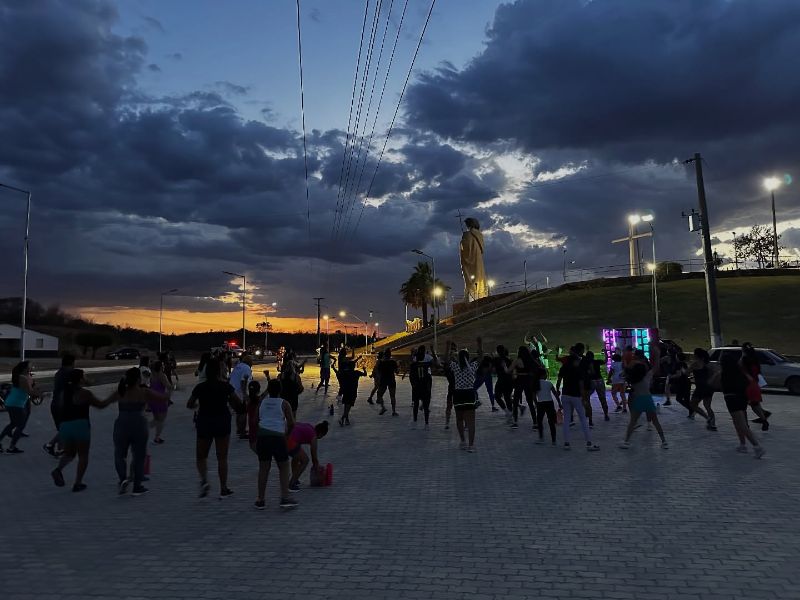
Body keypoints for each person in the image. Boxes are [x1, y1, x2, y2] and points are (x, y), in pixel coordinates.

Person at [49, 369, 115, 492]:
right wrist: (113, 397)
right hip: (80, 425)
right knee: (83, 455)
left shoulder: (64, 393)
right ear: (80, 379)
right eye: (84, 376)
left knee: (69, 453)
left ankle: (58, 470)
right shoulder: (85, 393)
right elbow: (101, 405)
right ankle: (77, 483)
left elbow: (60, 407)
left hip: (65, 426)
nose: (86, 378)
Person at [187, 358, 242, 498]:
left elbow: (189, 403)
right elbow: (237, 403)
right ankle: (223, 488)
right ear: (219, 371)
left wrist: (197, 406)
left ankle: (204, 480)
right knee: (222, 457)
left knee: (201, 456)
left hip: (204, 421)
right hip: (222, 421)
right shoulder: (226, 386)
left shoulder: (200, 387)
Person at [110, 368, 167, 496]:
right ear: (137, 379)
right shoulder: (143, 391)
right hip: (139, 424)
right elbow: (162, 398)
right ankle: (137, 485)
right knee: (139, 455)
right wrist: (172, 390)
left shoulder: (121, 391)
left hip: (121, 424)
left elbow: (102, 403)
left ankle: (123, 478)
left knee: (119, 454)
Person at [253, 378, 298, 510]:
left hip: (263, 437)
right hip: (278, 437)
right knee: (283, 466)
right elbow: (292, 423)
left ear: (268, 389)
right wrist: (287, 434)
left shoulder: (262, 402)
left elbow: (255, 420)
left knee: (263, 468)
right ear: (280, 390)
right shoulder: (284, 403)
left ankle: (260, 499)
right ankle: (284, 497)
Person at [619, 351, 668, 449]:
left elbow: (622, 374)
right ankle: (664, 441)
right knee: (655, 421)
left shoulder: (632, 379)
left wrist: (629, 363)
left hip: (638, 400)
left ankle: (626, 441)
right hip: (648, 399)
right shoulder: (647, 376)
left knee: (633, 422)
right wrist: (657, 355)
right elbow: (656, 367)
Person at [721, 352, 765, 458]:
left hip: (731, 399)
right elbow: (750, 381)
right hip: (742, 398)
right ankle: (743, 445)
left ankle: (757, 447)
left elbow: (715, 384)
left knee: (741, 424)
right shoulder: (740, 372)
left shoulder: (724, 373)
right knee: (738, 423)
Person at [556, 349, 600, 451]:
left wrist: (558, 390)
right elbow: (581, 386)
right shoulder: (578, 370)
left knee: (566, 419)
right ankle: (589, 443)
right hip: (576, 396)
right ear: (574, 361)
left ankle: (567, 443)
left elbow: (558, 381)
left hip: (565, 395)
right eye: (577, 361)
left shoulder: (563, 368)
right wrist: (584, 398)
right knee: (583, 419)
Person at [447, 338, 483, 452]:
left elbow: (446, 360)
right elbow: (481, 358)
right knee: (471, 421)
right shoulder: (472, 367)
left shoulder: (456, 367)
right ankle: (471, 445)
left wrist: (447, 347)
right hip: (469, 393)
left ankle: (462, 441)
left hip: (458, 394)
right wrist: (479, 344)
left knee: (459, 419)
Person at [0, 361, 41, 454]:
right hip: (16, 404)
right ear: (25, 368)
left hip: (12, 403)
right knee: (20, 426)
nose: (32, 367)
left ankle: (6, 444)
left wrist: (33, 385)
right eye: (30, 366)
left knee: (13, 424)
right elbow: (30, 392)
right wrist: (38, 391)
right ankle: (11, 447)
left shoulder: (24, 376)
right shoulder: (23, 378)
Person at [44, 353, 76, 457]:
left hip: (55, 404)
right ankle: (50, 445)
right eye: (74, 363)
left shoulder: (59, 373)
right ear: (71, 363)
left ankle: (59, 450)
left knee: (62, 429)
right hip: (61, 406)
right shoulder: (67, 374)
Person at [287, 420, 329, 492]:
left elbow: (295, 425)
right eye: (322, 436)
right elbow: (314, 456)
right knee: (305, 460)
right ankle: (291, 484)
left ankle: (295, 478)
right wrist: (317, 468)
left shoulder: (309, 427)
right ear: (321, 433)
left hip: (285, 438)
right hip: (291, 441)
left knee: (296, 457)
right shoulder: (313, 436)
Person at [740, 343, 770, 431]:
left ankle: (745, 425)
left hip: (746, 385)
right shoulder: (756, 360)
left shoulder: (743, 360)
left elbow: (742, 372)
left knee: (743, 407)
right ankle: (764, 420)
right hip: (755, 384)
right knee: (755, 405)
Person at [510, 346, 539, 429]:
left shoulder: (517, 360)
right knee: (530, 402)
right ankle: (535, 423)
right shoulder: (530, 360)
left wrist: (505, 367)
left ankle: (515, 422)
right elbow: (537, 367)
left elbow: (509, 370)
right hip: (528, 381)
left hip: (519, 381)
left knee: (515, 401)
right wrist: (530, 373)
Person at [332, 358, 367, 426]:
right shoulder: (357, 373)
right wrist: (364, 369)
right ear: (354, 366)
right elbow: (365, 374)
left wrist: (333, 368)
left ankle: (346, 419)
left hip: (346, 390)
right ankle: (343, 418)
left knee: (346, 405)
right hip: (353, 391)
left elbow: (338, 373)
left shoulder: (345, 372)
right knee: (349, 405)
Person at [409, 345, 436, 428]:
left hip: (417, 387)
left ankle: (415, 420)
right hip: (425, 387)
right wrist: (433, 351)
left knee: (416, 404)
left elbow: (411, 376)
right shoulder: (426, 364)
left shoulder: (414, 365)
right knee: (426, 406)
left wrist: (413, 385)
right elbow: (436, 363)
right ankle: (426, 422)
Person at [229, 354, 253, 439]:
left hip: (232, 392)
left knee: (238, 412)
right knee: (243, 413)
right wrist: (245, 395)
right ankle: (242, 433)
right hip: (239, 394)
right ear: (249, 362)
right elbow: (243, 381)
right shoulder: (246, 368)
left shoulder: (238, 366)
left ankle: (239, 430)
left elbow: (230, 378)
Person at [535, 367, 561, 445]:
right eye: (546, 374)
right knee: (551, 422)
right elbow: (555, 394)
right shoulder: (548, 383)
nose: (547, 375)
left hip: (540, 403)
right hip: (549, 403)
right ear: (543, 375)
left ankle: (541, 438)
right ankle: (554, 440)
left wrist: (536, 403)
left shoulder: (536, 383)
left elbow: (533, 395)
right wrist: (559, 403)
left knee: (539, 421)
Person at [690, 348, 715, 430]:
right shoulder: (708, 364)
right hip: (709, 387)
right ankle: (712, 424)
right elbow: (712, 374)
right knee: (707, 406)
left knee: (693, 404)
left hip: (700, 388)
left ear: (697, 355)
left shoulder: (695, 364)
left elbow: (686, 372)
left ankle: (707, 418)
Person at [148, 360, 172, 444]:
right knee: (161, 420)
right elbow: (168, 386)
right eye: (162, 365)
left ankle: (141, 429)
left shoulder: (152, 375)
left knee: (156, 419)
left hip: (152, 398)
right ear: (161, 367)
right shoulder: (161, 375)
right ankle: (156, 437)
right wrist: (176, 387)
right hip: (160, 399)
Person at [279, 350, 306, 416]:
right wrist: (295, 393)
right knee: (293, 415)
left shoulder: (281, 375)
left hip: (283, 397)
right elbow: (301, 389)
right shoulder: (296, 376)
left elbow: (277, 387)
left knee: (283, 415)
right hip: (293, 398)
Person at [492, 345, 512, 423]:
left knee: (497, 396)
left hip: (501, 380)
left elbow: (493, 371)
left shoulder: (496, 360)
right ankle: (510, 414)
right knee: (507, 398)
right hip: (509, 381)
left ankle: (507, 412)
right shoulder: (509, 360)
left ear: (497, 351)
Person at [376, 349, 399, 416]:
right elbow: (397, 372)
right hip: (391, 380)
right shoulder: (393, 362)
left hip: (383, 380)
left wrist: (378, 380)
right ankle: (394, 411)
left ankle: (383, 407)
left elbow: (378, 372)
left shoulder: (381, 363)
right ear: (390, 355)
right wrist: (398, 366)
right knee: (392, 396)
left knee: (379, 395)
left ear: (384, 355)